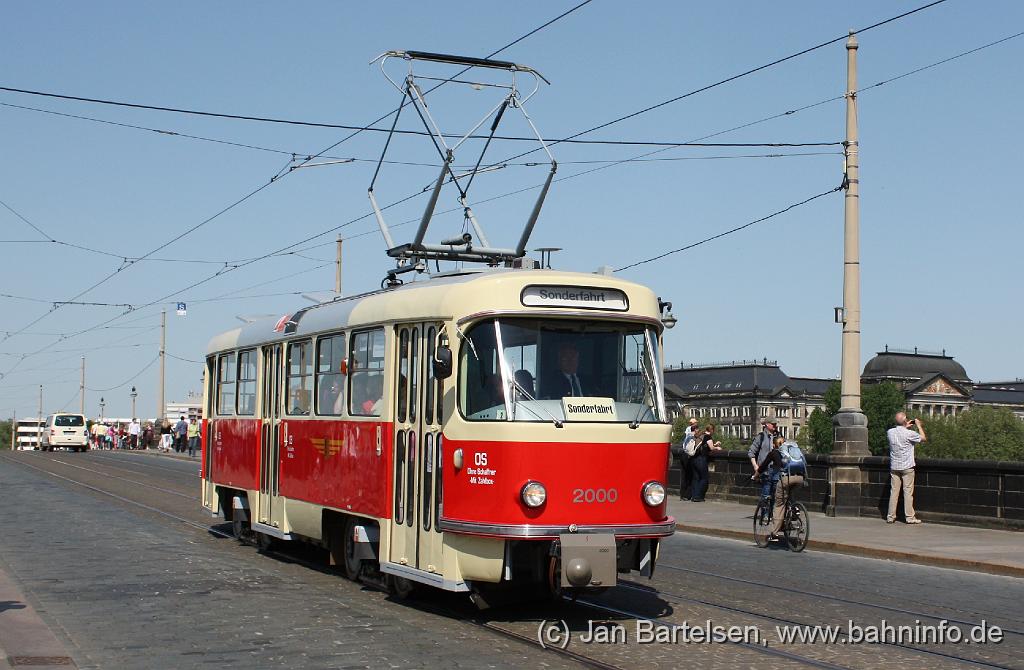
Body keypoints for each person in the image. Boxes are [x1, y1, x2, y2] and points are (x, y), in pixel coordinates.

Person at [752, 436, 806, 538]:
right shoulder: (791, 451)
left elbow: (763, 466)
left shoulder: (774, 453)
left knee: (779, 504)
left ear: (774, 445)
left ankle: (774, 532)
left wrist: (755, 476)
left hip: (785, 478)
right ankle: (794, 511)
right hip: (799, 478)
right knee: (790, 496)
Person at [886, 412, 927, 524]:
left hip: (895, 466)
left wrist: (904, 426)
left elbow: (899, 432)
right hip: (907, 466)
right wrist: (918, 425)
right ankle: (909, 517)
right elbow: (923, 438)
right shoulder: (910, 434)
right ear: (905, 421)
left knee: (894, 492)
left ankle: (890, 516)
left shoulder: (890, 432)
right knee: (907, 492)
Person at [689, 423, 723, 502]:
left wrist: (714, 444)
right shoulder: (708, 437)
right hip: (701, 459)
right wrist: (717, 447)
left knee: (696, 478)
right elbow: (711, 448)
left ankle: (694, 496)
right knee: (704, 478)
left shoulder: (701, 435)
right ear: (711, 430)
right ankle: (698, 496)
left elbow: (704, 445)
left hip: (694, 458)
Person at [748, 419, 779, 495]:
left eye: (776, 424)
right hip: (765, 470)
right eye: (773, 424)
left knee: (775, 495)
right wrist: (756, 466)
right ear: (767, 424)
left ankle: (771, 506)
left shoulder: (779, 436)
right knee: (766, 494)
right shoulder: (761, 437)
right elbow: (751, 452)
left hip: (777, 470)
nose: (775, 425)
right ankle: (764, 506)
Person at [673, 418, 700, 501]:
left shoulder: (689, 430)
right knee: (688, 475)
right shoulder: (690, 431)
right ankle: (686, 495)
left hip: (684, 454)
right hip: (687, 455)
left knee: (685, 475)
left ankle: (684, 495)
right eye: (695, 423)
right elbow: (693, 437)